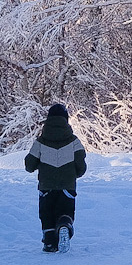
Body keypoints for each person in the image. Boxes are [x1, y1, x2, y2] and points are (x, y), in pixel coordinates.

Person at [24, 101, 87, 252]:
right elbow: (81, 166)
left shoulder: (40, 142)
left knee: (47, 215)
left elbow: (29, 165)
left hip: (46, 186)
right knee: (65, 211)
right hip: (67, 186)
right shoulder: (74, 141)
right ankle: (64, 225)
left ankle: (50, 242)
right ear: (66, 120)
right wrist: (74, 174)